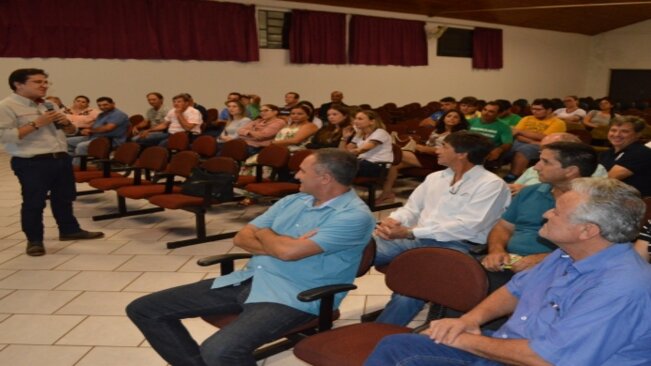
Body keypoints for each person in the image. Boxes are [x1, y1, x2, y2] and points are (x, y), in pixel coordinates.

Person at [126, 148, 375, 366]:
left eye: (302, 171)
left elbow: (284, 251)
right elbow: (242, 237)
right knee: (145, 309)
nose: (296, 175)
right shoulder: (293, 200)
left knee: (220, 350)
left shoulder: (354, 216)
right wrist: (279, 243)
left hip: (295, 295)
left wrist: (268, 236)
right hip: (252, 277)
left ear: (324, 178)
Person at [365, 178, 651, 366]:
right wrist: (468, 321)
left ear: (587, 231)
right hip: (511, 347)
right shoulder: (567, 253)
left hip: (535, 359)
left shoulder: (621, 287)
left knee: (406, 354)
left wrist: (463, 338)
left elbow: (547, 359)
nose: (546, 214)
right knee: (397, 348)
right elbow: (515, 290)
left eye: (557, 213)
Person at [373, 131, 511, 325]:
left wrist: (410, 232)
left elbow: (468, 227)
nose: (436, 150)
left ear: (462, 153)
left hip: (457, 246)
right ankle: (323, 304)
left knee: (411, 290)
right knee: (357, 251)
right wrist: (392, 222)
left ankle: (379, 334)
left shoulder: (492, 185)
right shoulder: (435, 177)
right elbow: (411, 209)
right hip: (418, 237)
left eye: (444, 146)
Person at [0, 68, 104, 257]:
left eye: (46, 82)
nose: (44, 86)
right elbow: (5, 136)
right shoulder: (7, 106)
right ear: (18, 84)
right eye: (38, 82)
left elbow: (70, 132)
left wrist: (67, 124)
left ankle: (69, 230)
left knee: (64, 198)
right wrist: (36, 123)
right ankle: (35, 241)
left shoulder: (48, 104)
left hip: (60, 158)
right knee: (34, 202)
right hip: (32, 162)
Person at [482, 142, 598, 290]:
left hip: (559, 270)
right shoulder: (528, 192)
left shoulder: (597, 202)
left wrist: (544, 260)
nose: (536, 167)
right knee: (460, 274)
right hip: (508, 263)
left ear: (570, 171)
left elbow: (595, 248)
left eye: (545, 162)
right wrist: (496, 250)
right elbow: (503, 227)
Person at [377, 110, 469, 204]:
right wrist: (422, 148)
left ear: (460, 121)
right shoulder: (438, 130)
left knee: (400, 154)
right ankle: (387, 194)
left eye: (455, 117)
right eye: (449, 116)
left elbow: (450, 151)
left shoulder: (460, 134)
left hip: (442, 160)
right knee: (394, 165)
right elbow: (429, 144)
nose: (452, 119)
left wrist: (425, 149)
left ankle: (377, 162)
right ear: (444, 118)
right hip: (427, 156)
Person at [509, 132, 608, 195]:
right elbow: (515, 187)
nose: (537, 167)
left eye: (550, 150)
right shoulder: (534, 168)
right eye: (542, 150)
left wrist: (529, 190)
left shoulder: (594, 168)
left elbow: (589, 194)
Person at [504, 98, 566, 182]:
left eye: (538, 109)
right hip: (526, 141)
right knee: (506, 145)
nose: (534, 111)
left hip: (544, 145)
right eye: (533, 109)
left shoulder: (558, 122)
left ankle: (514, 175)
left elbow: (544, 137)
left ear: (549, 110)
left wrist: (521, 132)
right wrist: (531, 141)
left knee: (525, 149)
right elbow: (516, 134)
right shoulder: (527, 118)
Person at [67, 96, 130, 163]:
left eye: (105, 105)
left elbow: (108, 128)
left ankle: (77, 168)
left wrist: (91, 131)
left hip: (109, 140)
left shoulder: (118, 114)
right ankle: (69, 163)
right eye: (99, 105)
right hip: (95, 137)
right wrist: (86, 130)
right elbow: (95, 127)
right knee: (67, 142)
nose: (102, 107)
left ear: (113, 104)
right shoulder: (102, 114)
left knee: (81, 146)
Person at [599, 115, 651, 196]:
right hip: (610, 196)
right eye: (613, 130)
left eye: (624, 131)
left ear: (638, 134)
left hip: (633, 203)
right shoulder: (607, 153)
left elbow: (608, 179)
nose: (617, 134)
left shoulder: (641, 153)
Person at [340, 110, 393, 178]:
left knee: (339, 166)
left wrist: (343, 155)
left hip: (377, 165)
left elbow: (362, 150)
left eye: (360, 119)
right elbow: (343, 151)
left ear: (372, 121)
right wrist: (344, 138)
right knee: (334, 165)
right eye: (355, 118)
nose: (355, 121)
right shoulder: (359, 134)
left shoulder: (380, 132)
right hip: (362, 162)